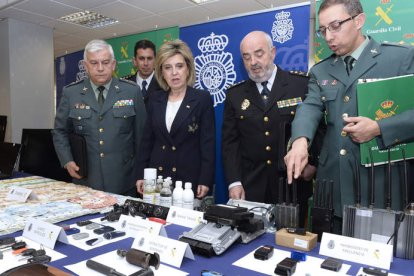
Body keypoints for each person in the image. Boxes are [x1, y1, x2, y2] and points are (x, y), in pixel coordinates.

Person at [285, 0, 414, 225]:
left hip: (381, 186)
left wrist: (378, 128)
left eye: (335, 26)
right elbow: (311, 106)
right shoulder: (320, 70)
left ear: (359, 21)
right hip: (333, 187)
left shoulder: (400, 58)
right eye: (323, 30)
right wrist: (299, 141)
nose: (328, 37)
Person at [222, 31, 322, 227]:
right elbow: (230, 143)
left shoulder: (300, 85)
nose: (253, 62)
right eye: (247, 57)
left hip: (292, 184)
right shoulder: (235, 95)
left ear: (273, 52)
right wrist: (234, 182)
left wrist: (313, 163)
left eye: (259, 54)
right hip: (251, 188)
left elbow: (319, 128)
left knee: (291, 242)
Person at [52, 39, 146, 197]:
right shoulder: (71, 93)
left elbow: (142, 136)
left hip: (124, 180)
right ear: (85, 65)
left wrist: (142, 173)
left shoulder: (131, 92)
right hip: (86, 179)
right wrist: (67, 160)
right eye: (94, 63)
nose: (100, 68)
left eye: (105, 62)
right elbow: (59, 131)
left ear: (114, 64)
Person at [136, 39, 215, 199]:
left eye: (179, 66)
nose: (174, 72)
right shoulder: (154, 99)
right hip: (157, 178)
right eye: (168, 67)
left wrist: (205, 179)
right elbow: (147, 142)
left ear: (188, 68)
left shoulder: (201, 99)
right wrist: (140, 174)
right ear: (162, 73)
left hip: (188, 180)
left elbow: (208, 144)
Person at [124, 39, 161, 106]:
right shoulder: (124, 85)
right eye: (141, 58)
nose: (146, 63)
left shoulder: (163, 83)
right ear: (134, 61)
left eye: (149, 58)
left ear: (155, 61)